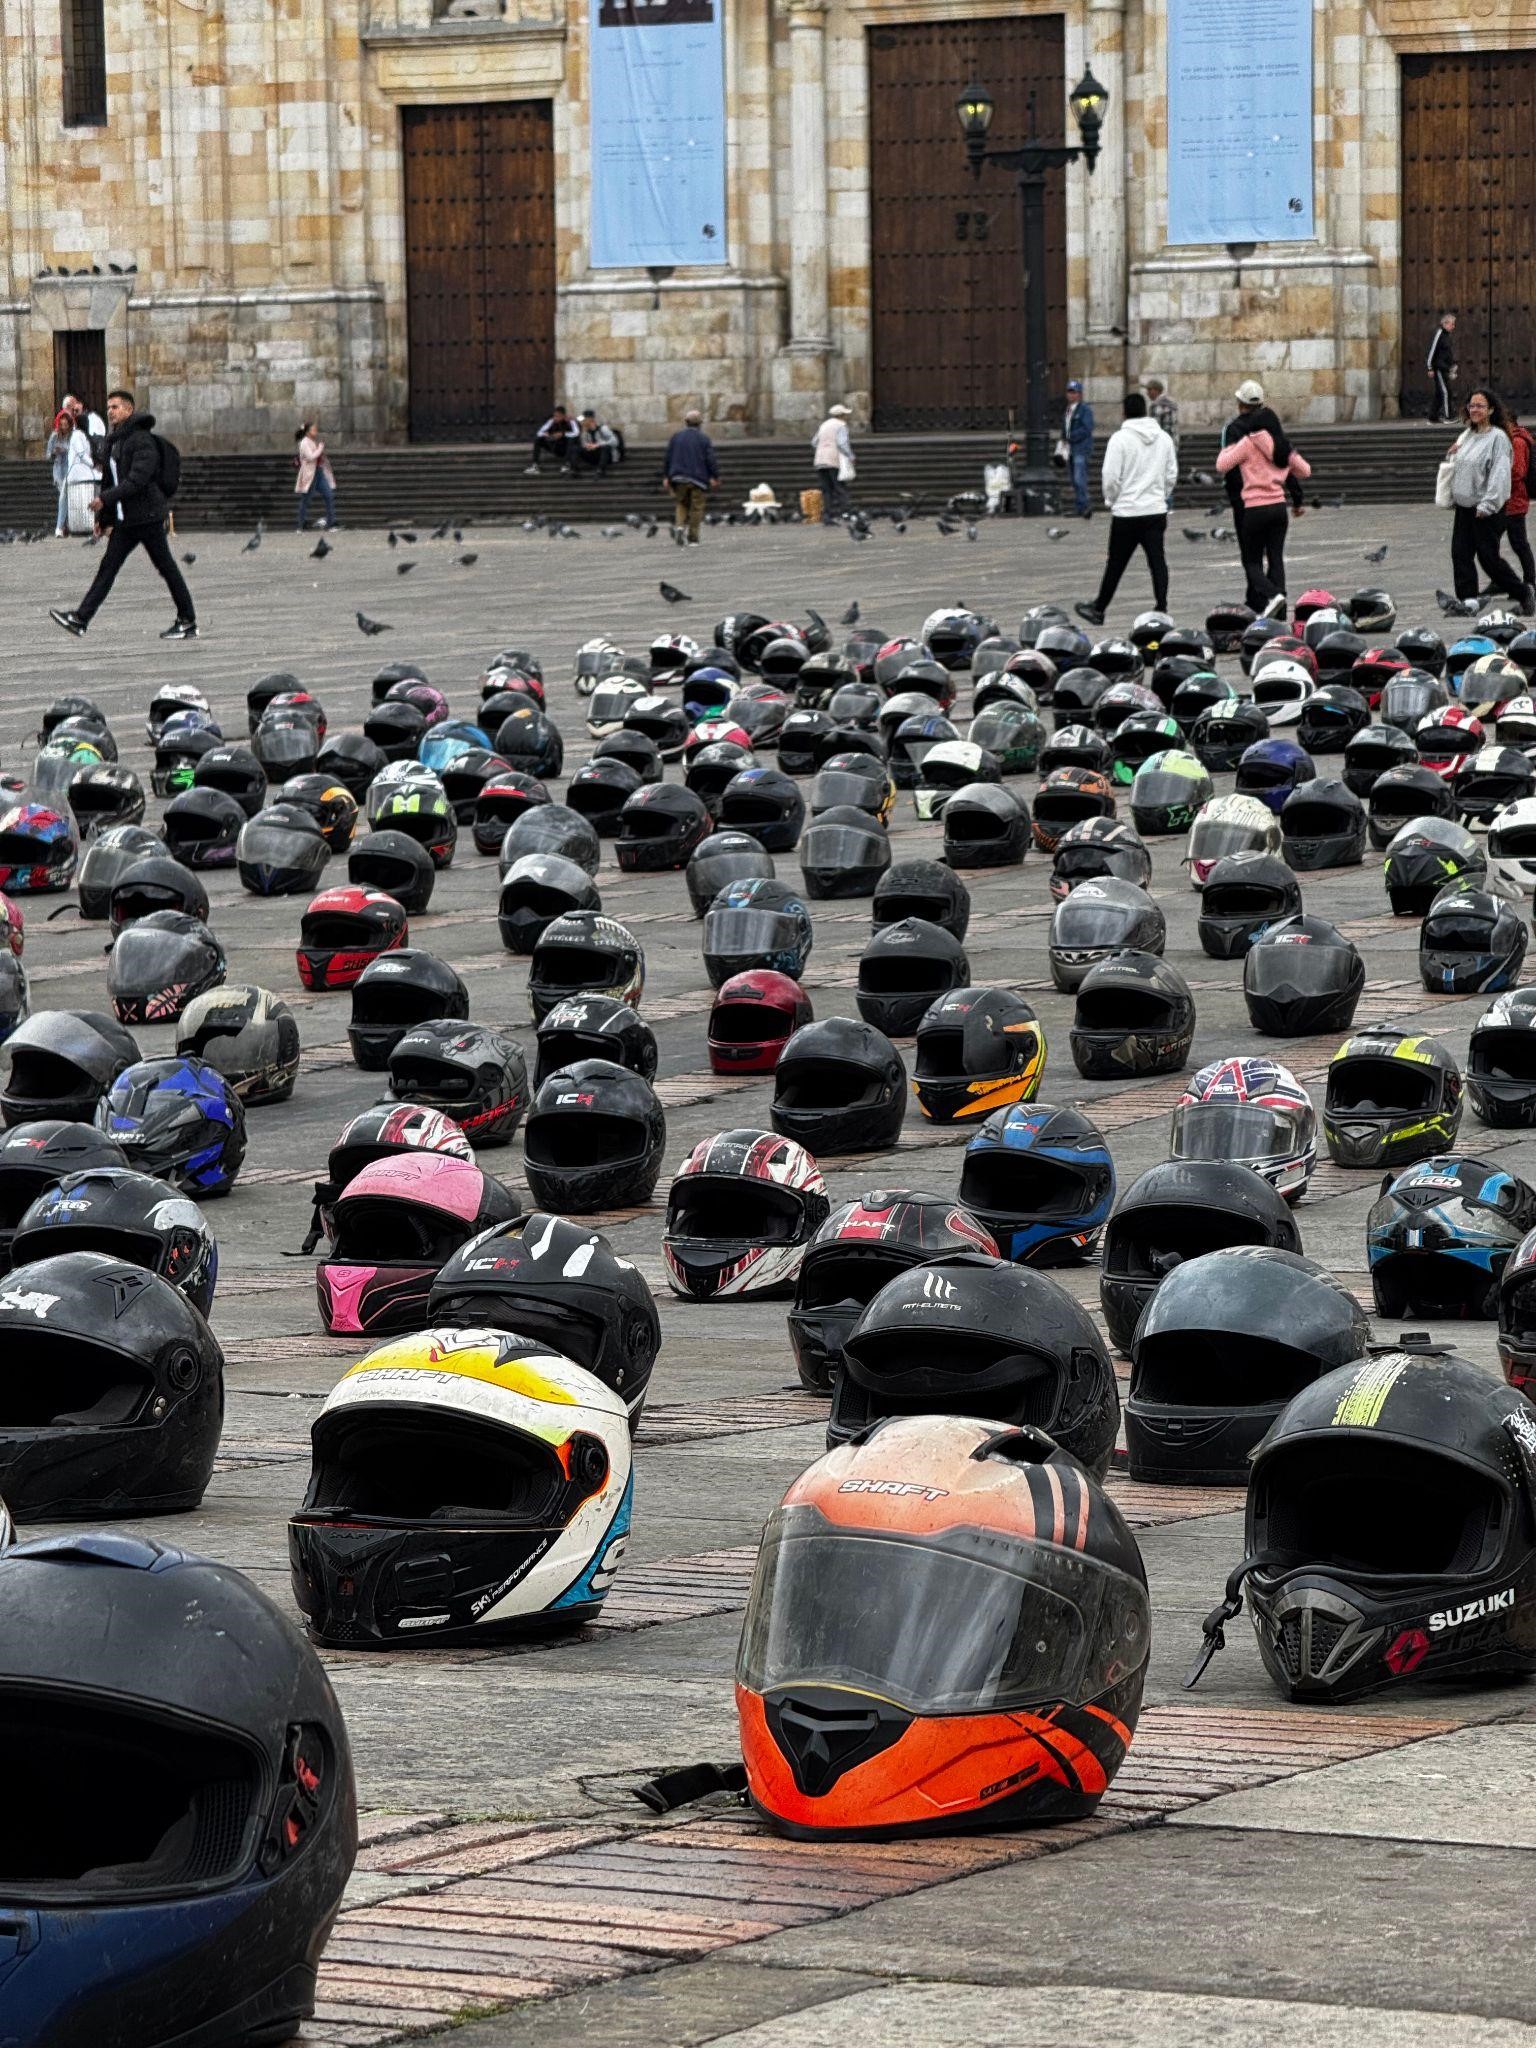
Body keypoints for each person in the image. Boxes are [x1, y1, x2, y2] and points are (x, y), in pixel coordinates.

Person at [48, 389, 196, 640]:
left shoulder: (142, 441)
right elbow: (109, 480)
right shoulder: (115, 441)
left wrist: (104, 500)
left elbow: (136, 481)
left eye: (116, 407)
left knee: (166, 567)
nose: (110, 411)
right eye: (109, 407)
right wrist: (103, 519)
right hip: (127, 520)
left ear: (129, 410)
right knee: (108, 568)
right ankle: (81, 619)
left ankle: (188, 621)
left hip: (148, 517)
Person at [1074, 392, 1177, 626]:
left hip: (1127, 512)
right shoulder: (1163, 438)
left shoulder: (1119, 439)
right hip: (1154, 510)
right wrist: (1161, 496)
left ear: (1124, 413)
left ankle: (1099, 608)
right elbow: (1171, 474)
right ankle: (1162, 606)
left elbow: (1110, 477)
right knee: (1157, 561)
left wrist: (1112, 500)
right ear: (1145, 411)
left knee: (1116, 563)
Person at [1215, 398, 1312, 617]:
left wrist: (1229, 448)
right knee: (1276, 557)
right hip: (1278, 508)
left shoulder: (1248, 443)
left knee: (1251, 561)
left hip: (1254, 509)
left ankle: (1272, 595)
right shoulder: (1281, 446)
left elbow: (1222, 465)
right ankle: (1280, 607)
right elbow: (1305, 471)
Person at [1443, 388, 1526, 609]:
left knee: (1488, 559)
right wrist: (1452, 453)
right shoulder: (1468, 435)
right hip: (1465, 507)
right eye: (1472, 406)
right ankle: (1467, 601)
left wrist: (1488, 504)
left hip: (1486, 509)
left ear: (1490, 409)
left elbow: (1500, 474)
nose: (1475, 410)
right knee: (1460, 555)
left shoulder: (1498, 438)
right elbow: (1460, 466)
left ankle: (1523, 592)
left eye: (1480, 406)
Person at [1220, 378, 1306, 551]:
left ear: (1239, 403)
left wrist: (1237, 498)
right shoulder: (1270, 426)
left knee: (1251, 558)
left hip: (1245, 500)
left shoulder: (1233, 429)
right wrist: (1297, 498)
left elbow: (1228, 465)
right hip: (1274, 498)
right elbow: (1284, 460)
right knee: (1275, 557)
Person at [1498, 407, 1536, 613]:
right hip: (1505, 500)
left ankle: (1529, 582)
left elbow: (1517, 471)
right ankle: (1505, 580)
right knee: (1491, 543)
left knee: (1519, 543)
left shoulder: (1518, 441)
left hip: (1514, 500)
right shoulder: (1509, 439)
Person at [664, 407, 719, 546]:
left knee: (681, 503)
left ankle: (680, 526)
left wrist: (666, 476)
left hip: (678, 477)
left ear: (685, 422)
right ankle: (693, 538)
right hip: (698, 478)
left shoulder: (676, 437)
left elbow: (668, 457)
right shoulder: (703, 439)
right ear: (700, 423)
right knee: (696, 507)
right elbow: (710, 459)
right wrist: (714, 476)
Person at [811, 403, 855, 524]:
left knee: (827, 489)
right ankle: (846, 513)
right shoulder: (841, 425)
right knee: (840, 487)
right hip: (833, 460)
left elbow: (814, 442)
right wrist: (850, 455)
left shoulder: (824, 425)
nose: (846, 417)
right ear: (841, 415)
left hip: (820, 460)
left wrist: (823, 449)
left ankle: (827, 515)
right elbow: (842, 443)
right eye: (845, 414)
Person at [294, 419, 336, 531]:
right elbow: (311, 456)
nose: (316, 431)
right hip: (309, 474)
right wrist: (320, 448)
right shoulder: (304, 443)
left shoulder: (312, 441)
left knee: (329, 495)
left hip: (318, 472)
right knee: (306, 500)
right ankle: (300, 525)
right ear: (307, 432)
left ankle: (331, 523)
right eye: (313, 430)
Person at [1062, 380, 1095, 517]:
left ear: (1079, 394)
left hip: (1081, 448)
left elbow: (1087, 428)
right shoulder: (1068, 410)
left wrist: (1071, 436)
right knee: (1074, 479)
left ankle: (1085, 505)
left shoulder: (1085, 410)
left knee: (1079, 478)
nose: (1071, 395)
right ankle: (1079, 507)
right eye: (1069, 392)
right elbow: (1065, 429)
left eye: (1074, 392)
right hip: (1070, 449)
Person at [46, 399, 75, 537]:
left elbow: (75, 451)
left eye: (66, 424)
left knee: (65, 497)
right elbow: (48, 454)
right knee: (64, 496)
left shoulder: (73, 436)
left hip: (69, 467)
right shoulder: (54, 436)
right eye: (61, 424)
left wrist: (65, 449)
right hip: (58, 469)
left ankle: (62, 526)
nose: (63, 427)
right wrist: (54, 452)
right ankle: (63, 526)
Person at [527, 406, 578, 474]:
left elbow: (576, 433)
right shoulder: (551, 421)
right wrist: (547, 435)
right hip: (554, 447)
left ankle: (567, 465)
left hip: (566, 448)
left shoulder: (570, 421)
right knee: (538, 439)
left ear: (563, 416)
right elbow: (539, 433)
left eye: (558, 416)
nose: (555, 418)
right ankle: (535, 465)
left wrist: (563, 434)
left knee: (571, 440)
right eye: (555, 416)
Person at [1428, 313, 1457, 424]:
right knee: (1445, 392)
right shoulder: (1439, 333)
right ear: (1445, 323)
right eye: (1452, 324)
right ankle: (1448, 417)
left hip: (1444, 368)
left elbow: (1446, 353)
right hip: (1438, 368)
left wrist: (1451, 366)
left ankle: (1432, 417)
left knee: (1439, 393)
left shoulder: (1446, 335)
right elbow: (1432, 350)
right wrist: (1430, 367)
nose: (1453, 327)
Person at [574, 409, 623, 475]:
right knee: (575, 448)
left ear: (590, 419)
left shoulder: (603, 428)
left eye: (584, 420)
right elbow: (583, 444)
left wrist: (598, 445)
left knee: (606, 447)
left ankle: (601, 469)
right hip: (593, 455)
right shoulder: (585, 431)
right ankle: (575, 470)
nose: (583, 422)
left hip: (607, 456)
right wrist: (587, 445)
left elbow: (615, 441)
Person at [1144, 377, 1179, 450]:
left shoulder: (1157, 406)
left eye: (1150, 390)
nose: (1147, 393)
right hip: (1173, 443)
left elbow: (1154, 429)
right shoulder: (1171, 404)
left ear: (1157, 390)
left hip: (1162, 447)